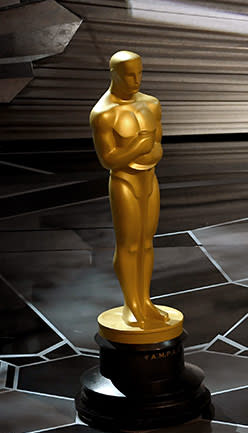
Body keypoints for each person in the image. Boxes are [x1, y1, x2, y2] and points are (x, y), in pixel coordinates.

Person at [90, 50, 169, 329]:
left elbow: (158, 145)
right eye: (128, 75)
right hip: (124, 181)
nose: (136, 80)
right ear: (114, 74)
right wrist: (138, 146)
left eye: (139, 73)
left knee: (147, 242)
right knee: (129, 244)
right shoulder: (104, 113)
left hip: (149, 178)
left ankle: (145, 300)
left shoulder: (151, 104)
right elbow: (107, 160)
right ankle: (131, 304)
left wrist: (149, 150)